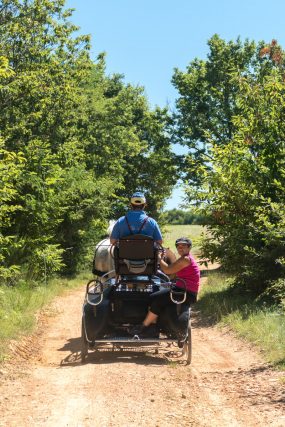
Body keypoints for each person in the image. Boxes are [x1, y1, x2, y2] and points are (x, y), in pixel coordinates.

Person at [130, 236, 200, 337]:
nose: (181, 248)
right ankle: (154, 325)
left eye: (184, 246)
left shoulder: (185, 259)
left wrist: (159, 259)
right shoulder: (184, 258)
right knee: (153, 297)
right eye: (179, 246)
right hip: (182, 289)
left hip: (185, 292)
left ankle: (144, 326)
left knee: (157, 300)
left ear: (189, 247)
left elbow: (167, 270)